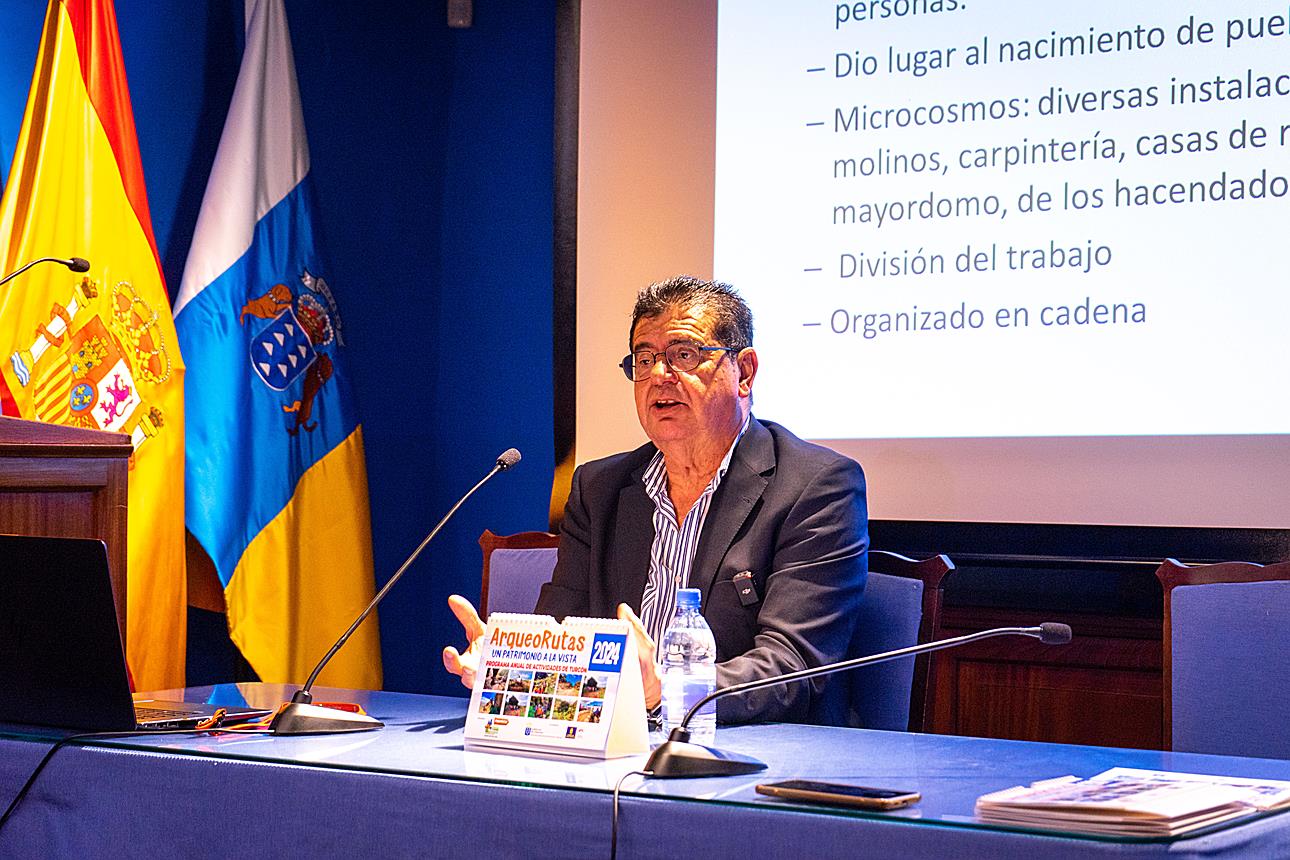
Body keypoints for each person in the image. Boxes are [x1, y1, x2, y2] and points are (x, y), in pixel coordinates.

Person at [444, 275, 868, 724]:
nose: (660, 376)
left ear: (744, 372)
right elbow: (563, 631)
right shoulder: (599, 489)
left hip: (747, 747)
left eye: (684, 355)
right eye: (644, 359)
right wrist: (509, 670)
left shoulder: (816, 486)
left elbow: (791, 667)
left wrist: (668, 692)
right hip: (618, 739)